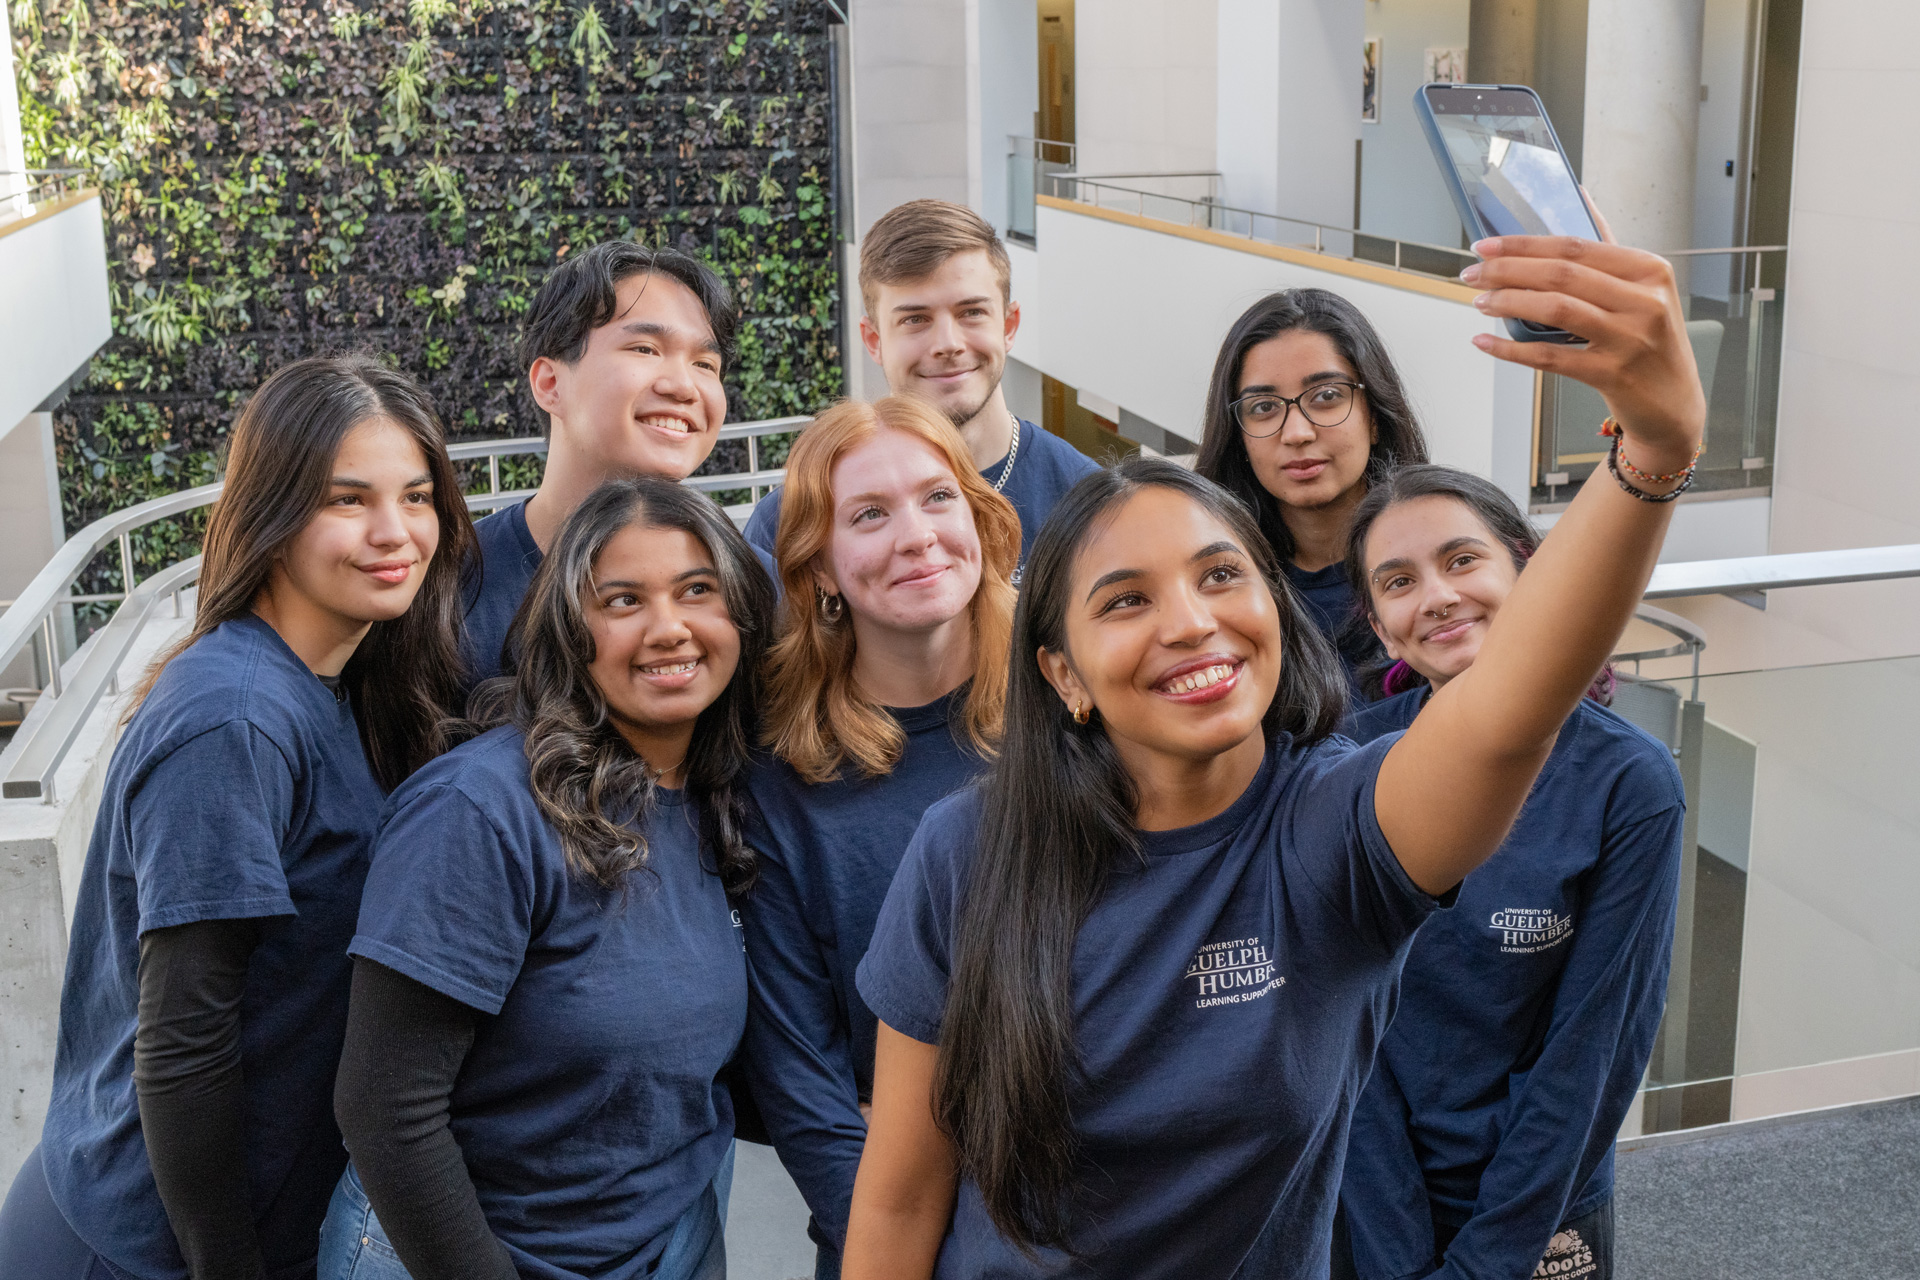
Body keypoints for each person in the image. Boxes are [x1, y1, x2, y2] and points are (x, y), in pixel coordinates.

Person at [840, 215, 1707, 1278]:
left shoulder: (1336, 833)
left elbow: (1509, 706)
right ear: (1060, 672)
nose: (1192, 623)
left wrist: (1653, 450)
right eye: (1125, 600)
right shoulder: (965, 848)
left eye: (1219, 575)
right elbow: (898, 1202)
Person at [0, 356, 470, 1280]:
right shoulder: (235, 719)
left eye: (417, 497)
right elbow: (183, 1037)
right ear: (274, 512)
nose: (395, 531)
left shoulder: (332, 682)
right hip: (144, 1248)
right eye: (348, 499)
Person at [321, 476, 776, 1280]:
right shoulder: (481, 809)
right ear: (570, 632)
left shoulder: (714, 795)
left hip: (663, 1241)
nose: (669, 628)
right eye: (624, 601)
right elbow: (385, 1108)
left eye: (697, 590)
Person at [1328, 464, 1681, 1280]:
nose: (1438, 596)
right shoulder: (1348, 762)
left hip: (1540, 1201)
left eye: (1462, 560)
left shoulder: (1629, 783)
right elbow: (1341, 1029)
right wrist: (1392, 1248)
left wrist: (1484, 1265)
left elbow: (1591, 1054)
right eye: (1399, 581)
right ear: (1382, 629)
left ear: (1527, 574)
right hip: (1369, 1186)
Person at [742, 397, 1021, 1279]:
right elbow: (803, 1081)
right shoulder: (777, 773)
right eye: (868, 515)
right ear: (818, 568)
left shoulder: (1081, 709)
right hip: (888, 1240)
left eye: (939, 498)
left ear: (980, 520)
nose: (917, 536)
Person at [743, 199, 1096, 581]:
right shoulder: (790, 522)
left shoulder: (1087, 501)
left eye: (971, 312)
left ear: (1009, 326)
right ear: (874, 339)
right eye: (915, 319)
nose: (948, 343)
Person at [464, 240, 740, 683]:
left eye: (705, 364)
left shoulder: (756, 586)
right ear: (550, 382)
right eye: (645, 349)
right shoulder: (449, 590)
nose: (685, 386)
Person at [1195, 287, 1430, 692]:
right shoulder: (1212, 589)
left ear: (1374, 416)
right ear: (1239, 437)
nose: (1297, 433)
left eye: (1326, 397)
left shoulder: (1448, 564)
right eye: (1264, 406)